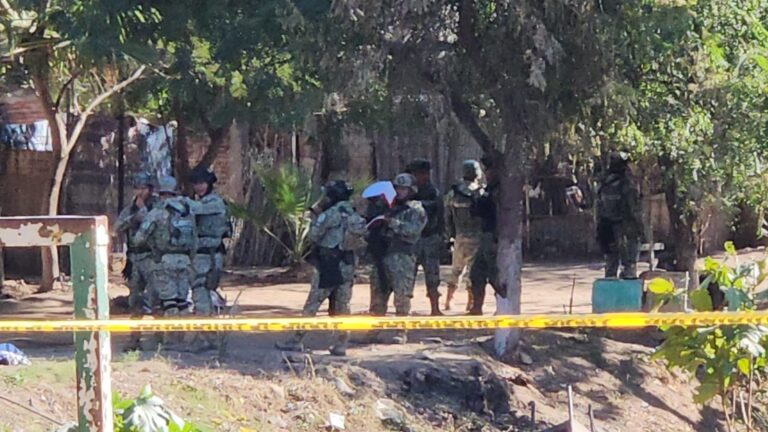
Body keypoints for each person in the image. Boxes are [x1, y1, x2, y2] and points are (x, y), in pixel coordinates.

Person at [276, 180, 366, 356]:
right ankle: (341, 344)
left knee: (313, 303)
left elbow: (314, 235)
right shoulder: (354, 214)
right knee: (343, 305)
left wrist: (316, 217)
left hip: (329, 264)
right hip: (348, 264)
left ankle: (296, 340)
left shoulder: (330, 214)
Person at [133, 176, 197, 347]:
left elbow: (138, 239)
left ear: (160, 193)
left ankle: (171, 340)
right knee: (183, 302)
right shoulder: (187, 212)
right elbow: (194, 240)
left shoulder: (156, 213)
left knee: (169, 303)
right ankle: (185, 339)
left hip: (164, 261)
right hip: (185, 261)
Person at [369, 173, 427, 344]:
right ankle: (373, 331)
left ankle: (401, 332)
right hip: (382, 255)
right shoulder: (388, 207)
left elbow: (412, 231)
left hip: (402, 257)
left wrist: (391, 223)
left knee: (402, 296)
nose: (400, 191)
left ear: (411, 190)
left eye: (404, 189)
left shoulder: (416, 210)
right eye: (398, 188)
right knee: (378, 295)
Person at [186, 167, 231, 351]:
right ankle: (209, 337)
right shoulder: (203, 201)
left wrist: (176, 201)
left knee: (200, 294)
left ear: (209, 184)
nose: (199, 187)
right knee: (203, 295)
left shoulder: (214, 202)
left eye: (202, 183)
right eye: (196, 184)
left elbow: (193, 209)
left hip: (208, 256)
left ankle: (205, 338)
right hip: (203, 255)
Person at [114, 172, 158, 351]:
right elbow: (117, 227)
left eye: (143, 188)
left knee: (156, 299)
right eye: (137, 188)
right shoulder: (130, 209)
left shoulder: (157, 207)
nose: (140, 192)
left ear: (150, 189)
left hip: (152, 258)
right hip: (134, 259)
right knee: (135, 301)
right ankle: (135, 339)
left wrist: (144, 212)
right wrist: (134, 217)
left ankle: (159, 338)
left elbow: (158, 224)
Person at [406, 159, 444, 316]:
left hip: (429, 237)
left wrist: (442, 236)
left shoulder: (432, 192)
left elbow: (439, 214)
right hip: (411, 239)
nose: (420, 177)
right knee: (408, 275)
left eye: (421, 174)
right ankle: (404, 309)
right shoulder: (409, 191)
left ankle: (435, 308)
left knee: (433, 275)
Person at [444, 160, 484, 312]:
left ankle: (449, 300)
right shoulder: (480, 192)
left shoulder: (454, 192)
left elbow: (447, 215)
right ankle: (470, 302)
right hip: (476, 237)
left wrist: (449, 235)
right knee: (472, 272)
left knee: (456, 269)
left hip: (459, 237)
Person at [596, 152, 643, 279]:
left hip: (606, 226)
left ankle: (610, 284)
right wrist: (640, 227)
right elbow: (633, 209)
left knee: (610, 262)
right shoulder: (626, 185)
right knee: (629, 265)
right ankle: (628, 282)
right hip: (624, 228)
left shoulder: (603, 184)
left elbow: (598, 207)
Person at [468, 156, 501, 315]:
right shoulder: (488, 189)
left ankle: (503, 307)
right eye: (486, 170)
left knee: (496, 275)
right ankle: (477, 308)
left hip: (495, 236)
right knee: (477, 273)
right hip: (485, 234)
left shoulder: (501, 190)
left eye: (490, 170)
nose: (487, 173)